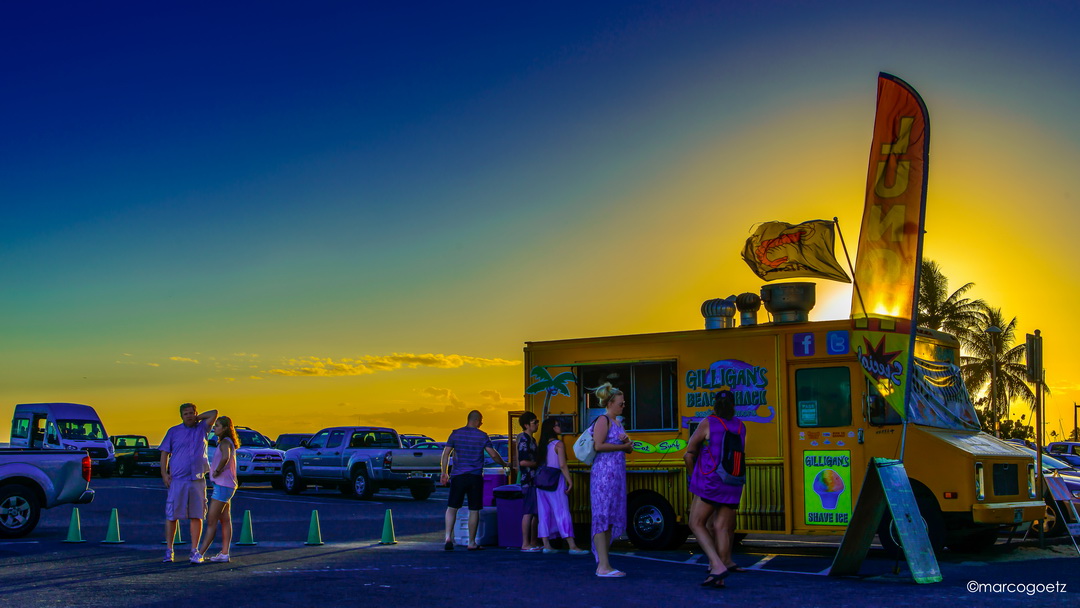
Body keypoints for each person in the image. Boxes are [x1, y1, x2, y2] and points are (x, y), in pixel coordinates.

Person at [683, 390, 747, 588]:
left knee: (696, 523)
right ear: (734, 405)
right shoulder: (740, 426)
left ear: (715, 405)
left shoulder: (708, 422)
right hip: (734, 482)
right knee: (721, 527)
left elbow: (689, 452)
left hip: (710, 482)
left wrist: (695, 479)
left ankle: (716, 565)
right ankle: (722, 566)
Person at [441, 410, 508, 551]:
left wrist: (444, 472)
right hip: (475, 477)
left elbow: (446, 454)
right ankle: (471, 542)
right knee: (474, 509)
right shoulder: (482, 436)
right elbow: (493, 455)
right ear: (477, 420)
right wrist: (504, 464)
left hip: (458, 476)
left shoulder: (455, 433)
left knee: (452, 507)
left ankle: (448, 537)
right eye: (481, 421)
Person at [159, 402, 217, 564]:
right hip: (178, 479)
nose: (189, 416)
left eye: (192, 413)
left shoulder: (202, 428)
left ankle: (194, 550)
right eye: (186, 414)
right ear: (181, 416)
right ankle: (169, 550)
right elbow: (164, 453)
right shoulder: (173, 431)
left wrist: (198, 419)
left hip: (197, 479)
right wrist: (164, 474)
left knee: (197, 515)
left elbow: (214, 412)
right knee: (172, 515)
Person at [590, 383, 633, 577]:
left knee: (609, 517)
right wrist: (622, 447)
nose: (623, 405)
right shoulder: (603, 420)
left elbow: (628, 448)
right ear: (610, 403)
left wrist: (626, 443)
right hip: (603, 474)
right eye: (620, 403)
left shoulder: (617, 422)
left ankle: (605, 562)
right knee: (602, 516)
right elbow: (598, 446)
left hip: (615, 475)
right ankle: (603, 566)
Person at [536, 417, 588, 555]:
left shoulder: (541, 445)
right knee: (562, 511)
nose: (560, 427)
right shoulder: (558, 444)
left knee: (544, 513)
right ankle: (572, 545)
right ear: (552, 429)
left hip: (541, 482)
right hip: (556, 480)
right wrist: (569, 481)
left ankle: (546, 544)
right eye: (557, 425)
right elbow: (562, 465)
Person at [195, 415, 239, 563]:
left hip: (223, 485)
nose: (215, 428)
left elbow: (225, 457)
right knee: (225, 520)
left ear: (225, 428)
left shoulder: (225, 443)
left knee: (211, 521)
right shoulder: (227, 442)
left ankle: (199, 553)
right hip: (226, 485)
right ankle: (224, 553)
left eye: (218, 426)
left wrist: (217, 470)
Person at [516, 411, 542, 552]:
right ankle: (525, 543)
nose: (537, 424)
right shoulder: (525, 440)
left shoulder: (532, 440)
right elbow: (523, 461)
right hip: (528, 479)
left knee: (534, 512)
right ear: (526, 425)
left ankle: (532, 541)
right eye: (534, 422)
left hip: (533, 480)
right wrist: (537, 464)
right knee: (528, 512)